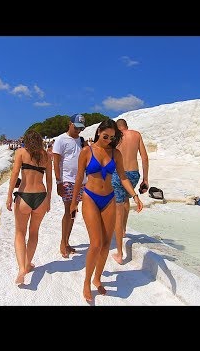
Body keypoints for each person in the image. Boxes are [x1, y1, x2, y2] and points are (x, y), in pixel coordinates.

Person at [70, 119, 143, 302]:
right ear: (98, 132)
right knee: (95, 243)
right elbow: (79, 177)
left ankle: (97, 278)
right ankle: (87, 282)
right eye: (105, 136)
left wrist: (134, 195)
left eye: (111, 137)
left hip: (109, 198)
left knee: (105, 243)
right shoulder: (87, 151)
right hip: (90, 198)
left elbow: (124, 177)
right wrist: (73, 202)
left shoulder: (115, 153)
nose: (108, 140)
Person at [6, 130, 52, 285]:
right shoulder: (46, 156)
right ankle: (27, 264)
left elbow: (14, 175)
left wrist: (9, 195)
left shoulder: (20, 152)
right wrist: (49, 199)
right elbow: (49, 180)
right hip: (41, 196)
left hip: (24, 196)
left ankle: (21, 270)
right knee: (33, 233)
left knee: (20, 232)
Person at [111, 118, 149, 265]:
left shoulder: (115, 137)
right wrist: (145, 179)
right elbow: (144, 157)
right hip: (133, 174)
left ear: (117, 127)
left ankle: (120, 253)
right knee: (126, 199)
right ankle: (124, 228)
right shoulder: (136, 134)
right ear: (127, 126)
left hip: (117, 174)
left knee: (118, 210)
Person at [52, 113, 87, 258]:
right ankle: (62, 242)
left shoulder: (82, 140)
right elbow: (56, 162)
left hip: (80, 182)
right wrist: (58, 182)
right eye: (76, 127)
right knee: (68, 210)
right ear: (69, 124)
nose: (78, 131)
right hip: (67, 180)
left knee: (73, 212)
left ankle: (67, 242)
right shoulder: (61, 140)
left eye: (81, 128)